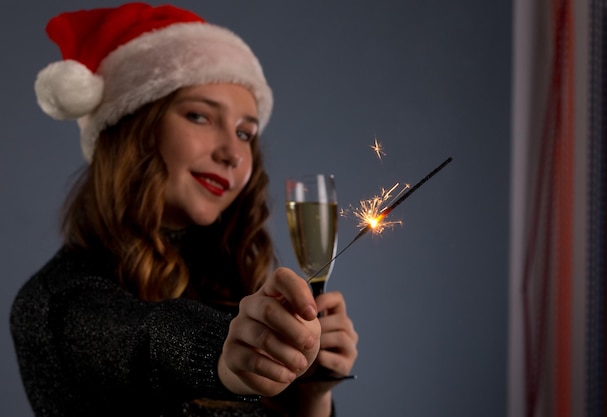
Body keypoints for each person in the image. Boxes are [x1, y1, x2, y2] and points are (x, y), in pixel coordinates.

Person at [9, 3, 358, 417]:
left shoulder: (231, 285)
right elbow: (145, 339)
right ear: (133, 130)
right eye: (200, 116)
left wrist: (312, 395)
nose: (232, 153)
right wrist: (226, 353)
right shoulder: (57, 303)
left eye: (246, 133)